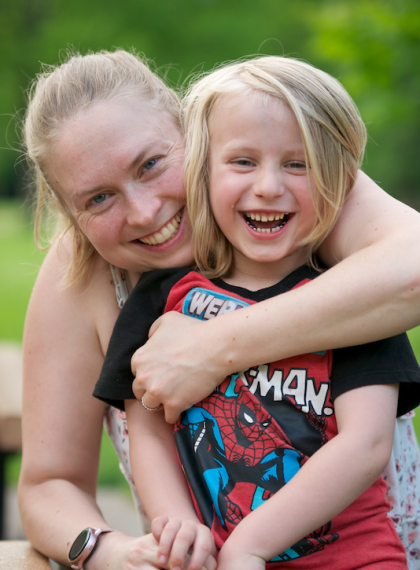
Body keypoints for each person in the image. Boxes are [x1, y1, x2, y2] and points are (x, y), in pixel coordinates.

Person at [18, 48, 420, 570]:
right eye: (97, 199)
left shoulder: (295, 199)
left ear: (196, 134)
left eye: (152, 164)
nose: (144, 212)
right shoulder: (90, 271)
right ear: (69, 212)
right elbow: (49, 483)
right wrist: (111, 552)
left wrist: (211, 350)